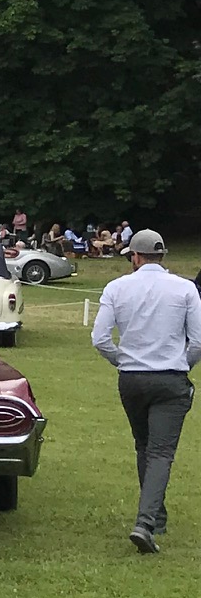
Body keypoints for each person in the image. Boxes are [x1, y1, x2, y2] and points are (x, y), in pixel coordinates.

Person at [90, 229, 201, 554]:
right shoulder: (185, 289)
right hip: (169, 377)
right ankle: (146, 523)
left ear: (135, 257)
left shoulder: (117, 287)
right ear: (162, 256)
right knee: (161, 452)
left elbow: (99, 338)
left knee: (144, 445)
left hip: (132, 378)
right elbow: (198, 340)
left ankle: (156, 517)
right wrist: (183, 364)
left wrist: (122, 361)